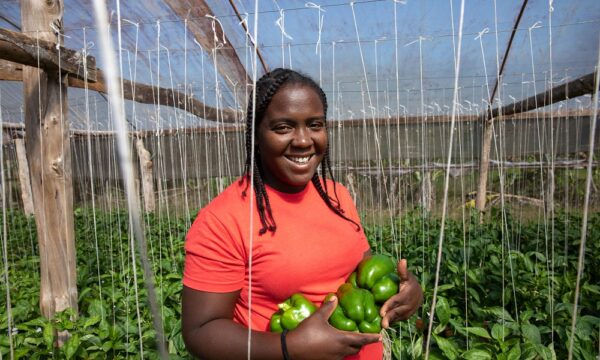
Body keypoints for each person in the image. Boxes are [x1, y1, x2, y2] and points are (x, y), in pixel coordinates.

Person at [182, 68, 423, 359]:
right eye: (283, 127)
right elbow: (200, 331)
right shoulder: (224, 219)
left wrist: (405, 293)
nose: (303, 140)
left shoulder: (336, 196)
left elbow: (362, 270)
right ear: (256, 134)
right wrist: (288, 347)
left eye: (315, 125)